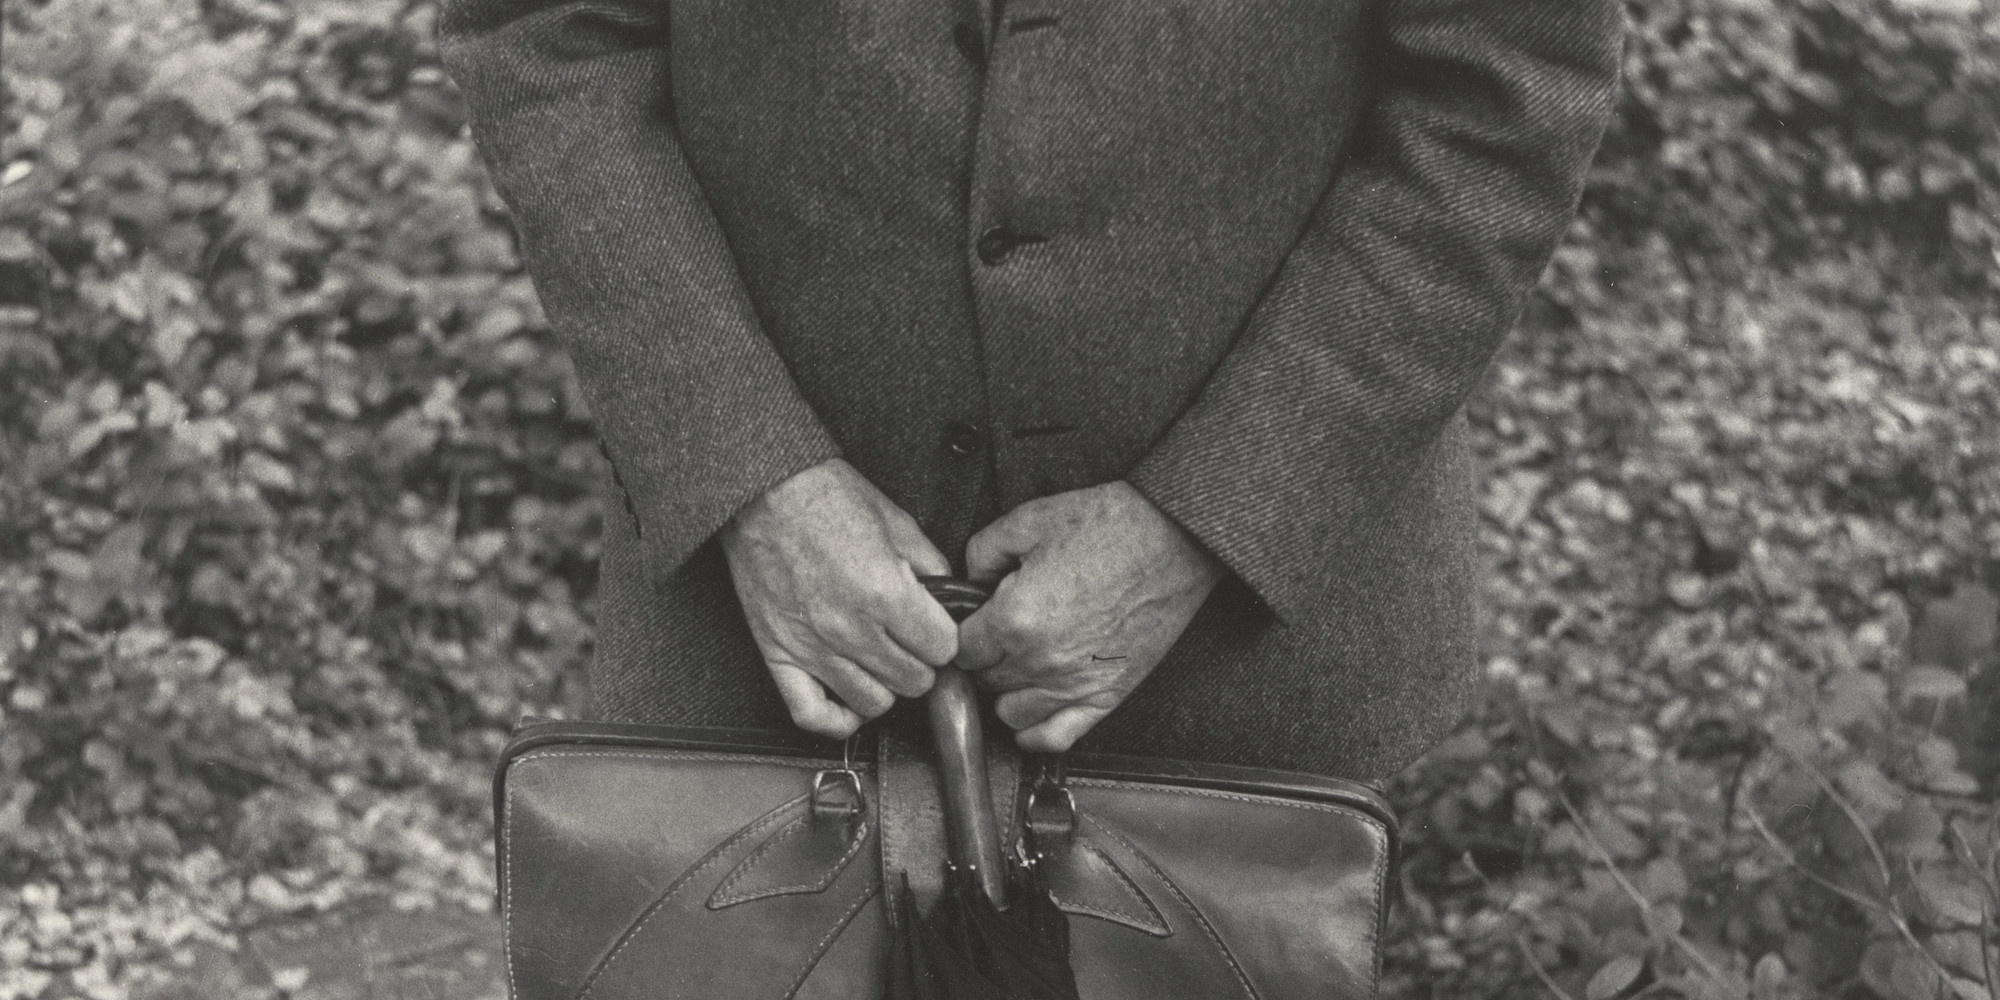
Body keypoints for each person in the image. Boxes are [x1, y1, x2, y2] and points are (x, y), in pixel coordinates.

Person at [435, 0, 1623, 783]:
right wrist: (750, 476)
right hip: (754, 637)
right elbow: (548, 36)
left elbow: (1504, 101)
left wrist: (1208, 519)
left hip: (1248, 673)